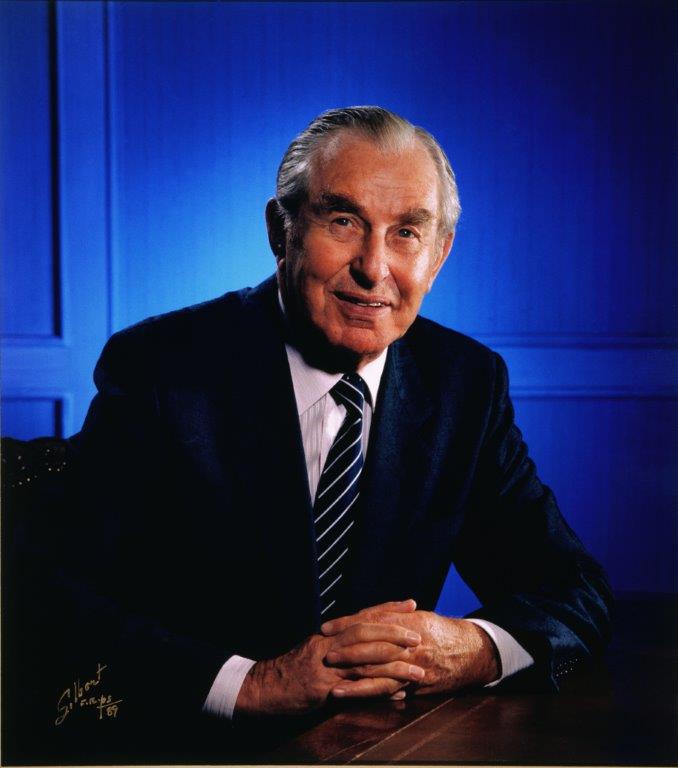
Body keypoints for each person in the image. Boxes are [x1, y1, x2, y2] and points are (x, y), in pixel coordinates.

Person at [8, 106, 612, 761]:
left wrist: (472, 648)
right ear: (281, 230)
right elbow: (54, 596)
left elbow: (572, 591)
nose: (374, 267)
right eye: (343, 221)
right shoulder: (161, 370)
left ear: (438, 256)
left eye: (407, 233)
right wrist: (253, 685)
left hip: (379, 749)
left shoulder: (465, 385)